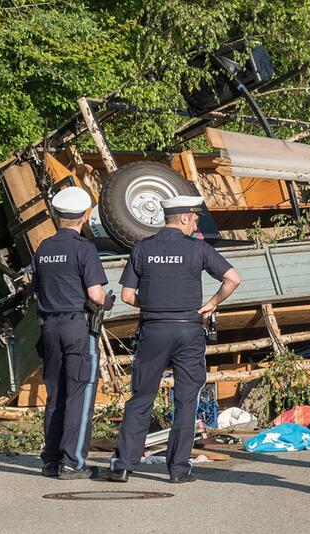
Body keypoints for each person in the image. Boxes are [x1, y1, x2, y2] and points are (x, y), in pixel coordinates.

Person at [102, 195, 241, 484]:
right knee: (187, 401)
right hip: (189, 331)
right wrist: (213, 303)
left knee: (141, 397)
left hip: (153, 329)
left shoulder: (143, 248)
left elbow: (127, 296)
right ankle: (178, 469)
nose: (195, 223)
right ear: (182, 218)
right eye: (194, 218)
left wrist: (155, 303)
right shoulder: (198, 249)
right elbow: (233, 279)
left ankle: (124, 466)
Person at [32, 186, 111, 480]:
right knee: (81, 393)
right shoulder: (84, 248)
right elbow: (96, 293)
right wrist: (106, 300)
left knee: (56, 394)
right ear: (84, 216)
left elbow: (37, 290)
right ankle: (72, 463)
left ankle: (51, 460)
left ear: (57, 215)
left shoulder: (43, 248)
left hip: (49, 327)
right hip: (77, 326)